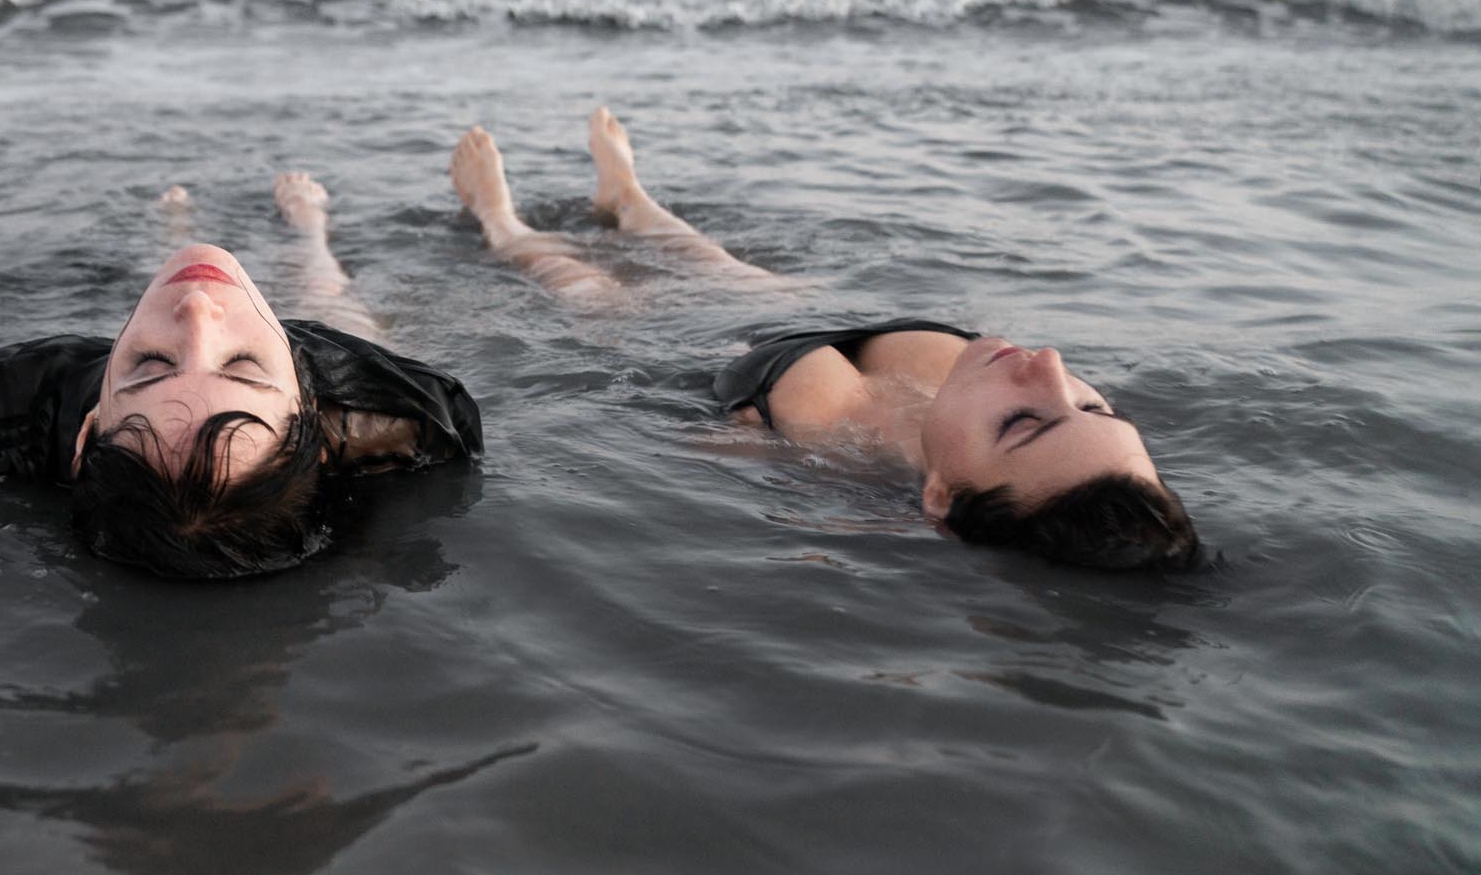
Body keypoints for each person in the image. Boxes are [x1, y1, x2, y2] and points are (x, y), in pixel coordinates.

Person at [448, 109, 1203, 572]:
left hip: (714, 348)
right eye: (1094, 408)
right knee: (714, 259)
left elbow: (634, 442)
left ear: (939, 496)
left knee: (581, 286)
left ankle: (498, 218)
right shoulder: (1008, 408)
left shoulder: (830, 472)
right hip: (822, 316)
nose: (1051, 367)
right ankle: (630, 199)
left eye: (1025, 421)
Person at [0, 172, 481, 578]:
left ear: (88, 430)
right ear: (314, 420)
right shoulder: (390, 412)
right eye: (241, 366)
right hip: (316, 374)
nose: (199, 311)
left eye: (150, 367)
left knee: (169, 278)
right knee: (331, 294)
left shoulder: (10, 400)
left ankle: (174, 233)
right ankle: (311, 229)